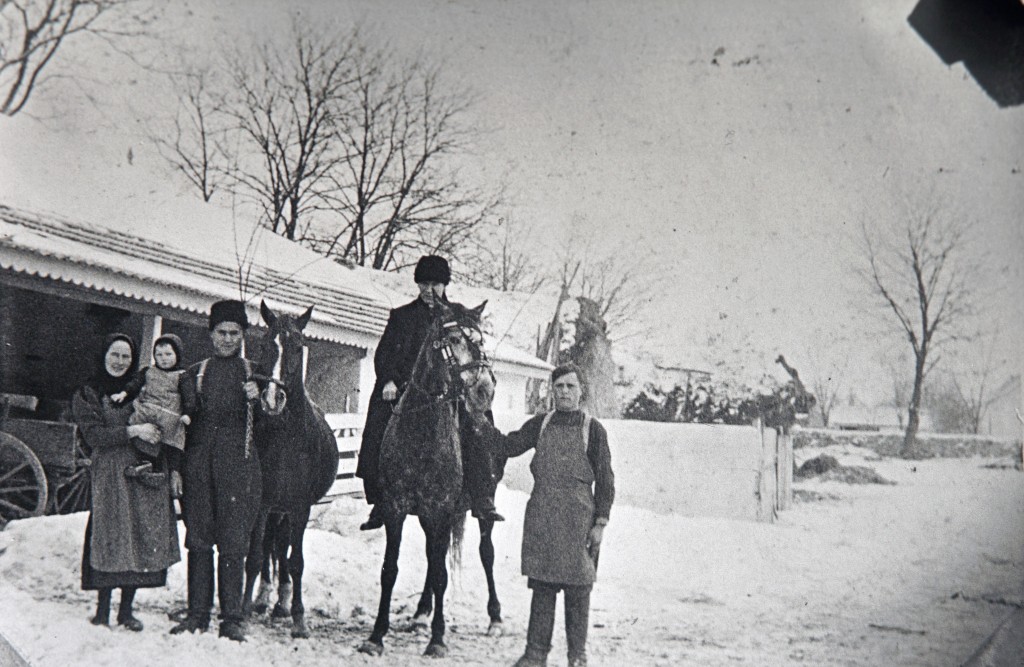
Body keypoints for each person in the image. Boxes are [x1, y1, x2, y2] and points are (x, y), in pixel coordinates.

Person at [470, 364, 615, 667]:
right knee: (542, 587)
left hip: (578, 522)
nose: (564, 392)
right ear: (552, 390)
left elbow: (606, 481)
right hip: (543, 518)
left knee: (578, 590)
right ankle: (535, 654)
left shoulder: (593, 430)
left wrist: (600, 523)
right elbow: (508, 446)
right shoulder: (541, 424)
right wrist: (480, 419)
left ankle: (577, 656)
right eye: (559, 386)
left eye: (570, 386)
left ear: (581, 391)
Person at [356, 254, 503, 530]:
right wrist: (388, 380)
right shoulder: (401, 316)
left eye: (435, 284)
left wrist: (468, 366)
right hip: (405, 390)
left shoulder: (458, 314)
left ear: (445, 285)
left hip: (449, 390)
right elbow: (384, 354)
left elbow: (471, 350)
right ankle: (380, 499)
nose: (429, 289)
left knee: (479, 426)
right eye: (423, 283)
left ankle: (482, 495)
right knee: (378, 422)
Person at [72, 333, 181, 632]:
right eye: (115, 355)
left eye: (126, 357)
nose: (120, 362)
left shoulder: (142, 389)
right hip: (110, 472)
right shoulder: (88, 392)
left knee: (139, 534)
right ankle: (102, 611)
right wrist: (134, 431)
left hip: (142, 468)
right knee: (111, 534)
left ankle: (126, 612)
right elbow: (94, 435)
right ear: (104, 355)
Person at [170, 300, 263, 642]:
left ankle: (232, 618)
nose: (227, 339)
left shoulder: (255, 373)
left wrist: (260, 398)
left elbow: (274, 425)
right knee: (198, 541)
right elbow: (177, 428)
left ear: (243, 335)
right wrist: (176, 469)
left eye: (234, 333)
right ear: (211, 334)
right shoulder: (194, 374)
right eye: (221, 332)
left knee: (234, 544)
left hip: (239, 470)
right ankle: (197, 614)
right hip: (198, 469)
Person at [111, 334, 190, 483]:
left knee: (172, 440)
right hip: (148, 410)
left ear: (177, 355)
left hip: (169, 414)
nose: (163, 358)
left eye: (168, 354)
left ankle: (163, 469)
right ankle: (145, 464)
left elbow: (188, 396)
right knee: (139, 431)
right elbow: (135, 384)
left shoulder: (182, 376)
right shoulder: (148, 371)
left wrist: (187, 413)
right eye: (159, 355)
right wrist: (124, 393)